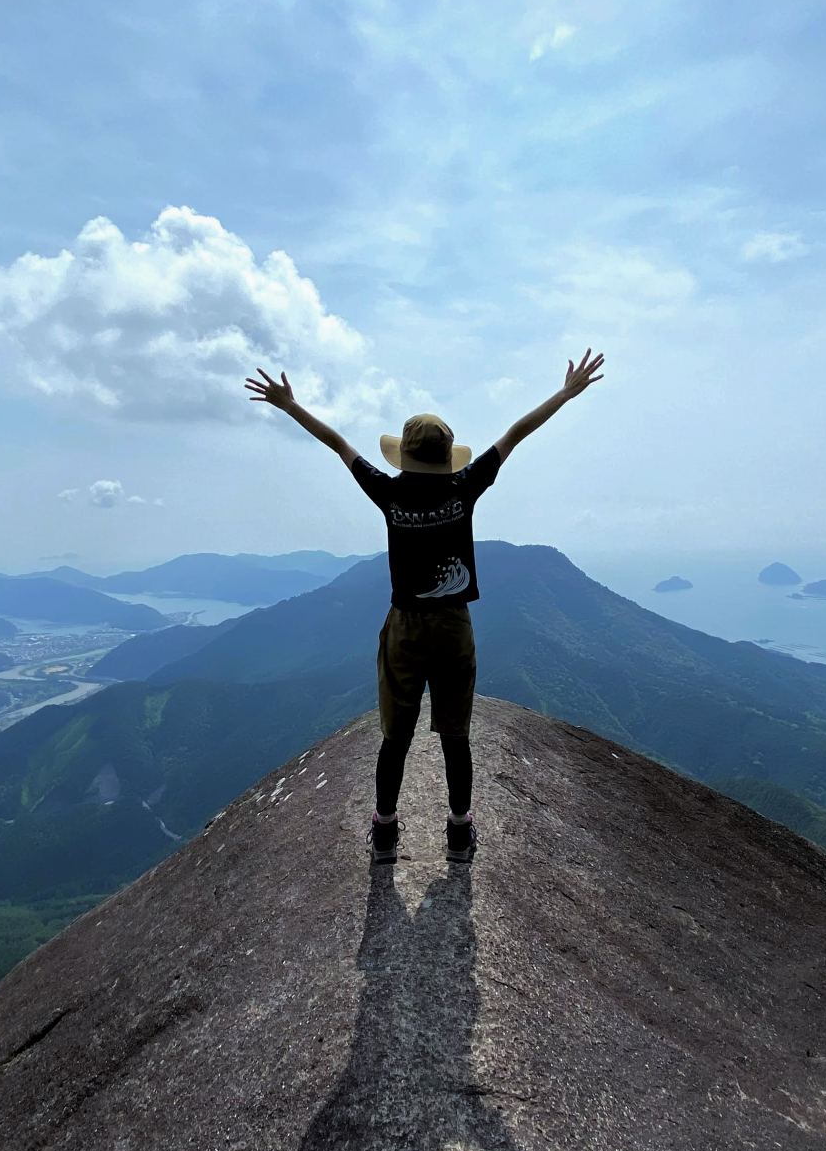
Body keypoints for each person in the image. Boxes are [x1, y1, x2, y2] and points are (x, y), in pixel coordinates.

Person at [246, 349, 606, 864]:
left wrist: (288, 405)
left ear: (407, 456)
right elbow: (516, 433)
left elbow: (337, 444)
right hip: (454, 628)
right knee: (456, 735)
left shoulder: (389, 492)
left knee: (395, 735)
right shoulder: (465, 487)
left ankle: (386, 833)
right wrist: (565, 395)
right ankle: (459, 833)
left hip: (406, 629)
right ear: (447, 456)